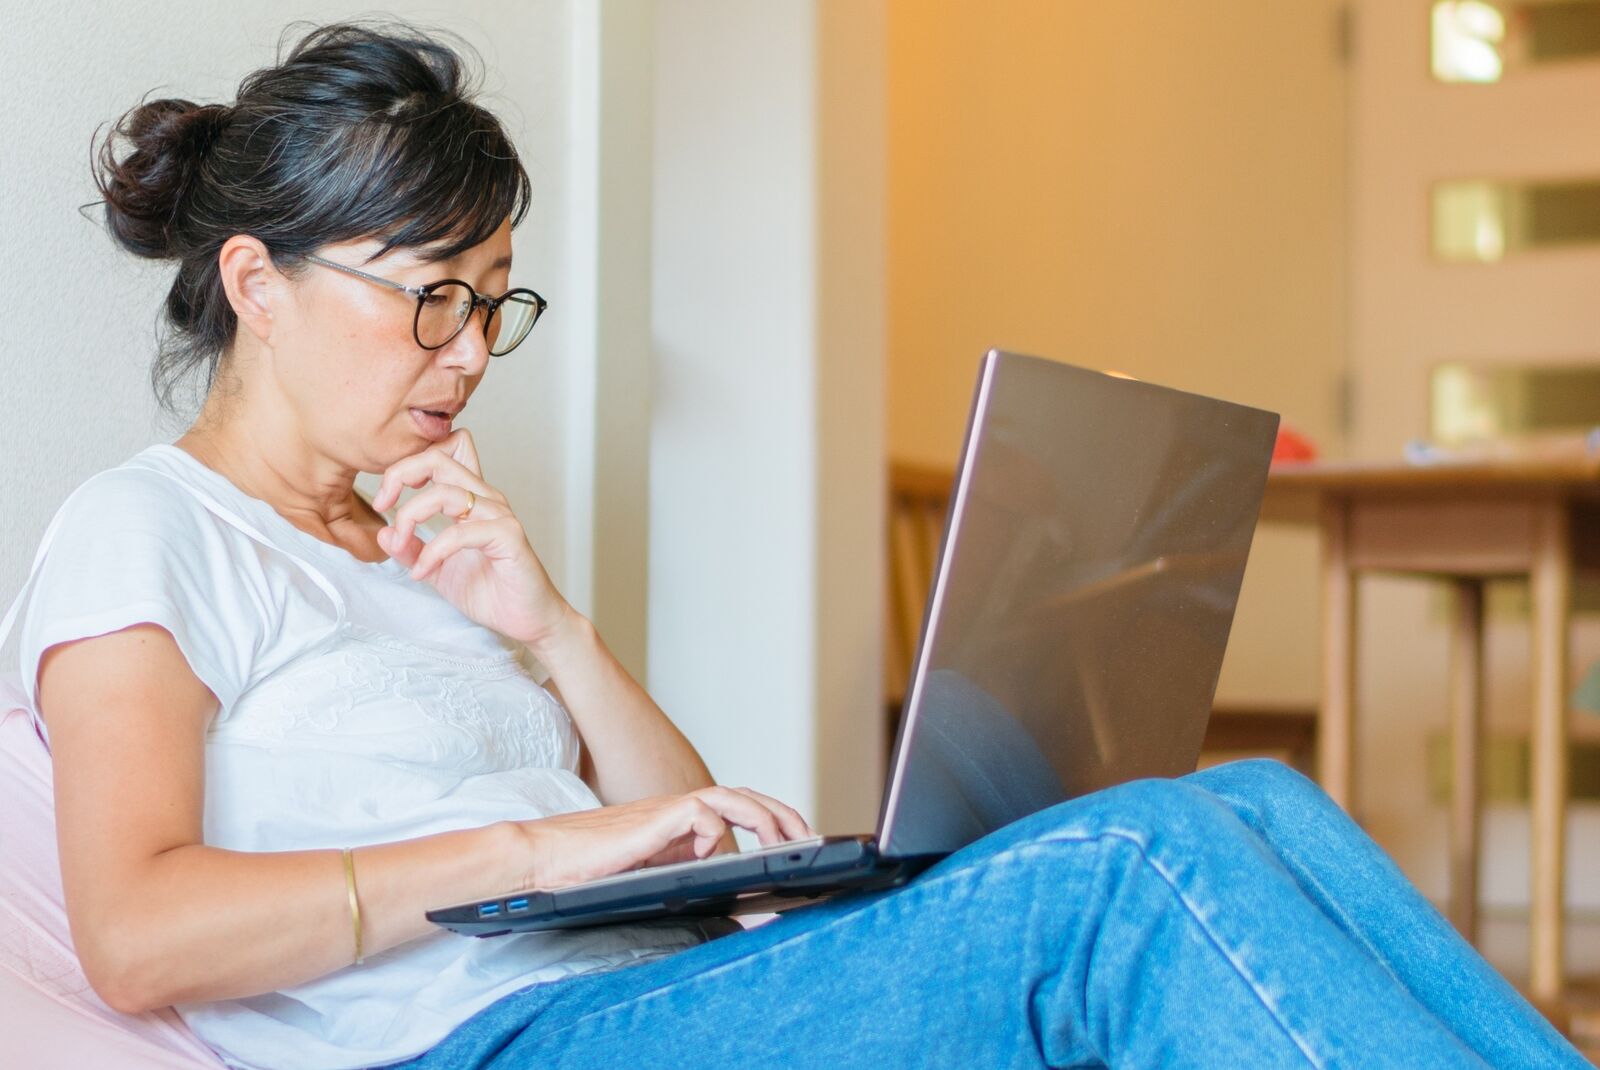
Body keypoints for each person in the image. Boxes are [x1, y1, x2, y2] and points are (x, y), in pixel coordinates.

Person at [11, 18, 1589, 1070]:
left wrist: (550, 624)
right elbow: (141, 934)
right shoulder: (149, 529)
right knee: (1124, 866)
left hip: (652, 981)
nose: (473, 347)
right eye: (432, 292)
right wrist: (536, 853)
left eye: (494, 297)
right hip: (487, 1041)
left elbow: (682, 822)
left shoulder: (427, 537)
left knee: (1245, 799)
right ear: (257, 283)